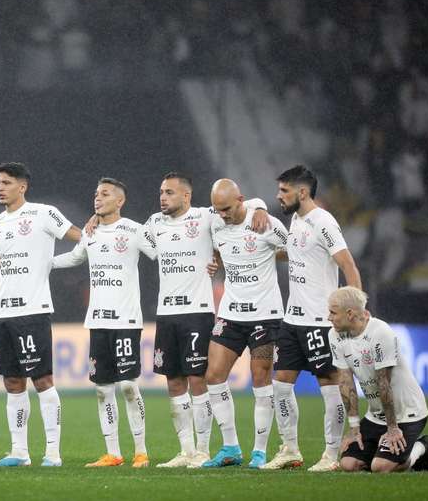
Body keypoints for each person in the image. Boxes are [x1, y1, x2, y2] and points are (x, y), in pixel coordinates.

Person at [0, 162, 81, 467]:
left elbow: (79, 236)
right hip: (4, 313)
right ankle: (19, 453)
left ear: (22, 186)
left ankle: (52, 453)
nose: (0, 187)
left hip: (33, 311)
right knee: (12, 382)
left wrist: (63, 261)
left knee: (42, 380)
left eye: (6, 182)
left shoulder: (43, 213)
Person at [145, 173, 270, 468]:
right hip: (165, 314)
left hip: (197, 312)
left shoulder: (205, 216)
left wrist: (261, 207)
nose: (163, 197)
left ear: (187, 196)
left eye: (170, 192)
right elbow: (131, 236)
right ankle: (186, 451)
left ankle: (202, 449)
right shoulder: (154, 223)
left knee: (198, 379)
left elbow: (243, 203)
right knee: (174, 382)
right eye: (161, 192)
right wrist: (97, 221)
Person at [262, 166, 362, 472]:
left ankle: (331, 454)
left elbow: (347, 264)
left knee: (330, 386)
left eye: (284, 191)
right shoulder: (295, 220)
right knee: (280, 385)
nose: (279, 196)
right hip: (292, 320)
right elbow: (297, 255)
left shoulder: (324, 222)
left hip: (320, 321)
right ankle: (290, 449)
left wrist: (356, 313)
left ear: (302, 192)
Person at [52, 177, 155, 468]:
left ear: (120, 201)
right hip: (97, 320)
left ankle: (141, 451)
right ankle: (113, 453)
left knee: (128, 386)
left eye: (105, 194)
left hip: (126, 319)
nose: (97, 198)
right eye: (96, 193)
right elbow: (74, 258)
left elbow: (161, 253)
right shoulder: (90, 232)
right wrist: (43, 263)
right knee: (102, 389)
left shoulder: (134, 230)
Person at [203, 179, 288, 469]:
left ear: (241, 200)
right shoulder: (216, 222)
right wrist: (215, 260)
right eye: (218, 209)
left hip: (265, 315)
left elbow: (293, 248)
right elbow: (219, 248)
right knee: (213, 375)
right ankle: (230, 448)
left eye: (227, 208)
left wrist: (268, 256)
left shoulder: (265, 222)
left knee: (261, 379)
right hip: (230, 314)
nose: (223, 214)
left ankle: (260, 451)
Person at [328, 286, 428, 473]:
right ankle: (382, 450)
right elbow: (346, 383)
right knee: (348, 465)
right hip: (376, 416)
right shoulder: (334, 335)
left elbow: (383, 383)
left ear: (350, 313)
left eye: (333, 312)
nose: (329, 317)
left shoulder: (381, 333)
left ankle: (421, 447)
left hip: (408, 413)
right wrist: (354, 428)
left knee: (381, 467)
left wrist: (393, 428)